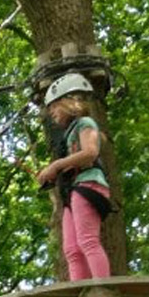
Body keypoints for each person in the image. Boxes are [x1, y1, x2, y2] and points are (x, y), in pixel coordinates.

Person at [35, 73, 113, 280]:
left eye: (54, 107)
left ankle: (103, 286)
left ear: (67, 102)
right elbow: (75, 162)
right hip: (74, 190)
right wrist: (53, 174)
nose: (51, 113)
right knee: (71, 249)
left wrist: (56, 165)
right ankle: (80, 289)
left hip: (88, 184)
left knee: (87, 241)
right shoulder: (69, 133)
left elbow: (90, 152)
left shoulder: (84, 123)